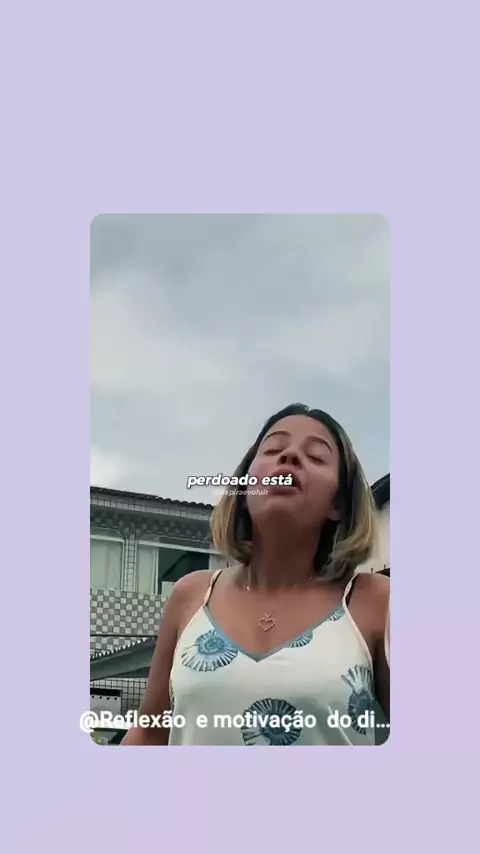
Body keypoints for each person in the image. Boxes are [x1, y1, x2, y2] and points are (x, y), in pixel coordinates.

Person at [122, 403, 390, 746]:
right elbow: (149, 733)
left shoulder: (376, 601)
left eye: (316, 456)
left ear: (338, 503)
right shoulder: (190, 595)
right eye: (274, 449)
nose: (289, 456)